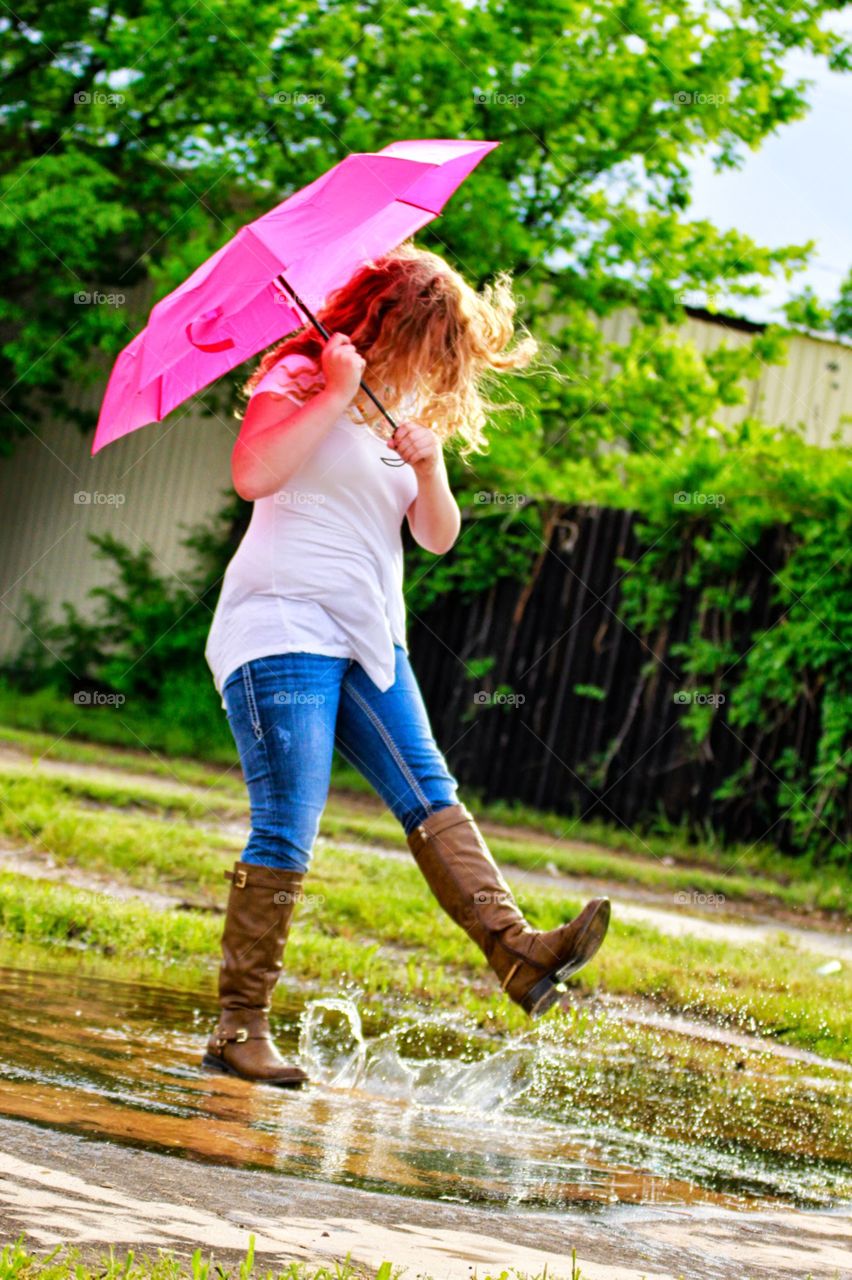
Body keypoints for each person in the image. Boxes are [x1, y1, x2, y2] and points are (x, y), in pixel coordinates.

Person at [202, 241, 610, 1087]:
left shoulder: (405, 411)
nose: (435, 362)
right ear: (390, 319)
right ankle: (239, 1027)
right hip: (280, 624)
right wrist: (340, 391)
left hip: (368, 632)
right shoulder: (302, 378)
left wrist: (429, 469)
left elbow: (434, 536)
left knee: (430, 791)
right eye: (428, 340)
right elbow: (253, 473)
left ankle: (518, 955)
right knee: (289, 818)